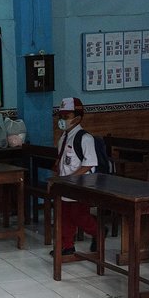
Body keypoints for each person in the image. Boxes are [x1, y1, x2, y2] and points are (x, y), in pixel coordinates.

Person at [52, 97, 99, 256]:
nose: (63, 120)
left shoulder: (85, 138)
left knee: (79, 216)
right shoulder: (63, 138)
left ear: (78, 118)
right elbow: (60, 161)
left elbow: (89, 163)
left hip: (80, 185)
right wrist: (56, 178)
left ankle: (98, 232)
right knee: (64, 216)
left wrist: (71, 178)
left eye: (67, 117)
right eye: (61, 117)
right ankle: (67, 246)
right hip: (65, 184)